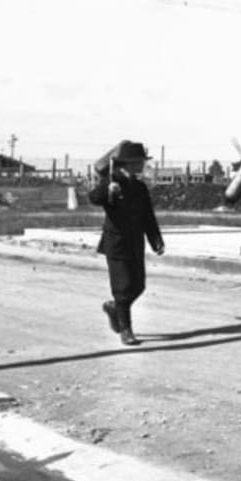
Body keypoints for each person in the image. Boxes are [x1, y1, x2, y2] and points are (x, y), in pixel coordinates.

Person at [88, 140, 165, 346]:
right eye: (140, 161)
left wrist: (156, 241)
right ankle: (126, 329)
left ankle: (114, 308)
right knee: (123, 287)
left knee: (138, 286)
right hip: (116, 243)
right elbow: (93, 197)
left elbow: (148, 216)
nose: (143, 164)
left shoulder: (139, 187)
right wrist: (107, 189)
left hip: (135, 242)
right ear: (129, 162)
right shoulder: (112, 182)